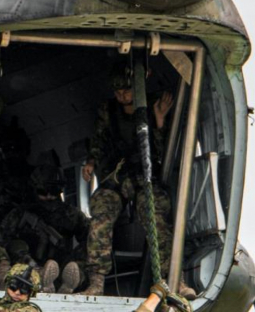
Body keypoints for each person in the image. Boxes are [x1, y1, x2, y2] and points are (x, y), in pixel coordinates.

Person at [80, 63, 196, 298]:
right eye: (118, 92)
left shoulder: (154, 106)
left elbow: (166, 152)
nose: (122, 96)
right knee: (100, 216)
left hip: (146, 176)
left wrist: (159, 121)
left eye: (126, 91)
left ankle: (176, 281)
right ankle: (96, 282)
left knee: (156, 218)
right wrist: (91, 162)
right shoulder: (109, 110)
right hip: (118, 176)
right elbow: (99, 141)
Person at [0, 164, 90, 293]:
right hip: (26, 269)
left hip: (60, 267)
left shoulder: (71, 214)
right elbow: (1, 240)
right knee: (16, 246)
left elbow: (90, 239)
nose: (48, 197)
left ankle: (71, 282)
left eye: (53, 192)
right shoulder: (20, 213)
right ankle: (38, 276)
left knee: (87, 250)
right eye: (43, 192)